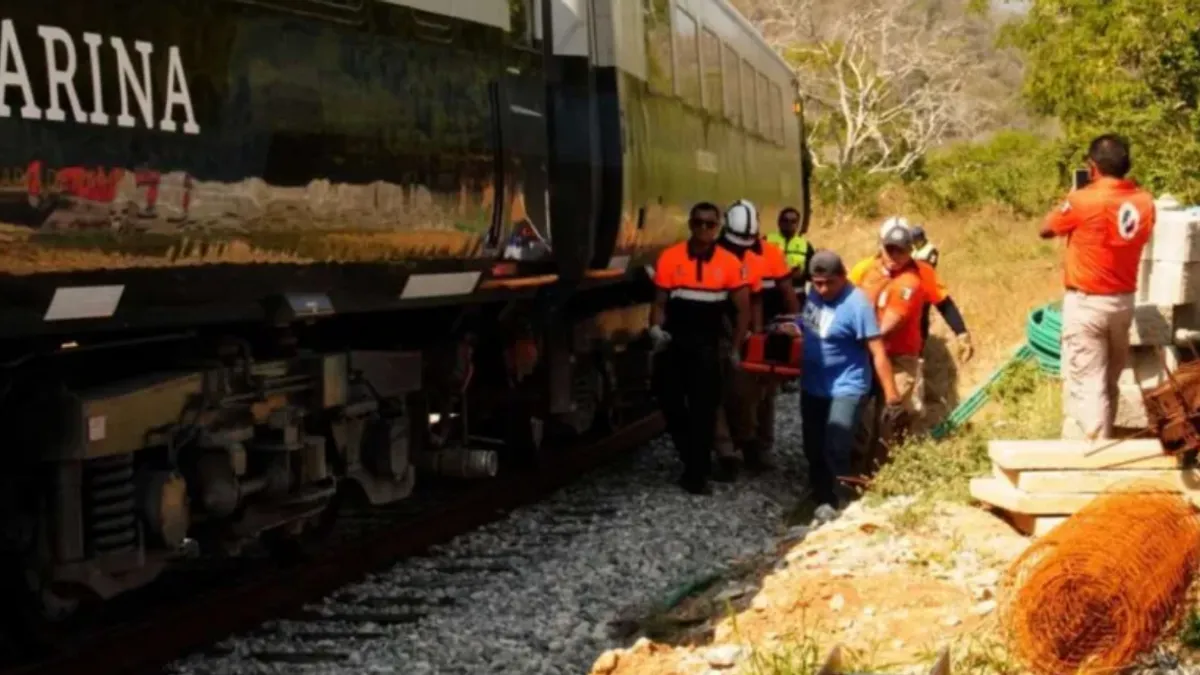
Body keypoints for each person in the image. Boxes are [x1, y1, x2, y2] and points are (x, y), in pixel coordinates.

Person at [1039, 134, 1155, 440]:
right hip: (1124, 302)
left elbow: (1046, 228)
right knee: (1108, 382)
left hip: (1087, 303)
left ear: (1093, 167)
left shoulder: (1082, 200)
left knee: (1088, 383)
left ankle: (1093, 451)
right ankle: (1104, 438)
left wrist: (1072, 197)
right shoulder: (1145, 202)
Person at [776, 250, 900, 509]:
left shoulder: (857, 305)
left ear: (842, 277)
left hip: (847, 385)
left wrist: (892, 396)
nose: (822, 289)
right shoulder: (814, 294)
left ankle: (840, 502)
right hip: (813, 384)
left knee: (836, 444)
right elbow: (815, 326)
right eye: (817, 283)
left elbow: (877, 351)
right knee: (813, 445)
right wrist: (796, 327)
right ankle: (818, 497)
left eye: (829, 283)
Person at [650, 202, 752, 494]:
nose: (704, 229)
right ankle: (692, 458)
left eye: (710, 224)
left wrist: (734, 348)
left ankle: (696, 473)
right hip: (674, 342)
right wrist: (656, 329)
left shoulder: (729, 263)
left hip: (708, 345)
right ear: (690, 224)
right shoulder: (670, 258)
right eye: (698, 223)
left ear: (718, 227)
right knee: (669, 402)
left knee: (704, 409)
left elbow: (742, 309)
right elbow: (660, 302)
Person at [847, 220, 927, 471]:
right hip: (869, 351)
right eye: (889, 249)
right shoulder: (872, 270)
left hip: (897, 357)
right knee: (859, 412)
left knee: (892, 415)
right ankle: (853, 468)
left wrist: (860, 337)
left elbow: (891, 322)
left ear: (909, 251)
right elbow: (855, 301)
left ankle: (884, 472)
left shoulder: (909, 282)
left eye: (900, 250)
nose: (893, 255)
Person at [712, 199, 767, 481]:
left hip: (738, 335)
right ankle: (726, 453)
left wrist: (753, 336)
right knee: (712, 396)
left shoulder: (752, 261)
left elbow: (753, 303)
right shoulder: (711, 255)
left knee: (742, 395)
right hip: (711, 333)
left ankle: (747, 443)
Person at [766, 206, 814, 393]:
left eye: (793, 221)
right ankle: (770, 372)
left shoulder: (804, 245)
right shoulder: (768, 241)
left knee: (794, 335)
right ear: (779, 222)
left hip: (797, 295)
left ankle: (790, 376)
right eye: (785, 220)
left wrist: (802, 274)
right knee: (772, 332)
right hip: (772, 295)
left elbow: (812, 273)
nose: (789, 224)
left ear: (798, 224)